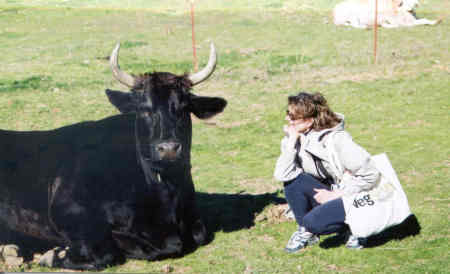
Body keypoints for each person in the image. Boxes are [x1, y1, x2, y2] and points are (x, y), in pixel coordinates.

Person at [273, 91, 381, 253]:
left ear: (309, 120)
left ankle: (355, 227)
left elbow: (371, 175)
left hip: (352, 194)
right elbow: (283, 175)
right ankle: (307, 231)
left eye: (293, 116)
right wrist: (291, 143)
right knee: (293, 182)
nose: (288, 119)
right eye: (287, 113)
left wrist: (336, 195)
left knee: (312, 222)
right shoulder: (294, 137)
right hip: (328, 191)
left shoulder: (337, 139)